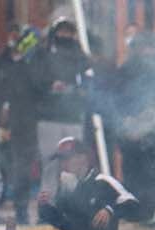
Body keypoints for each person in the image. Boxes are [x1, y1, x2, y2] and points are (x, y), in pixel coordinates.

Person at [37, 137, 137, 230]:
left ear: (82, 158)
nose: (63, 164)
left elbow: (132, 203)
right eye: (61, 160)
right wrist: (45, 209)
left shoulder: (102, 181)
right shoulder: (68, 190)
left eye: (67, 159)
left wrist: (109, 210)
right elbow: (69, 226)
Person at [112, 32, 155, 230]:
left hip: (153, 130)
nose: (148, 52)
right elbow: (115, 101)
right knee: (133, 172)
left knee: (152, 172)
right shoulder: (124, 72)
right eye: (144, 48)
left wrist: (152, 115)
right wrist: (127, 121)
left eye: (151, 48)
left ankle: (154, 209)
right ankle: (136, 211)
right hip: (130, 132)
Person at [34, 18, 94, 196]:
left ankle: (73, 205)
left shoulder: (81, 56)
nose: (65, 35)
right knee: (50, 163)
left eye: (68, 32)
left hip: (73, 116)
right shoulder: (43, 54)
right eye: (61, 31)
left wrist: (79, 90)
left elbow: (89, 80)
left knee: (75, 164)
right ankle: (47, 205)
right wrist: (50, 85)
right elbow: (35, 79)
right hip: (49, 117)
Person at [0, 26, 42, 224]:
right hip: (22, 124)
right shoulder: (16, 68)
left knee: (47, 167)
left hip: (43, 122)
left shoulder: (44, 65)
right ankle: (22, 209)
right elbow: (7, 98)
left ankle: (46, 209)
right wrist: (5, 124)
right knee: (21, 168)